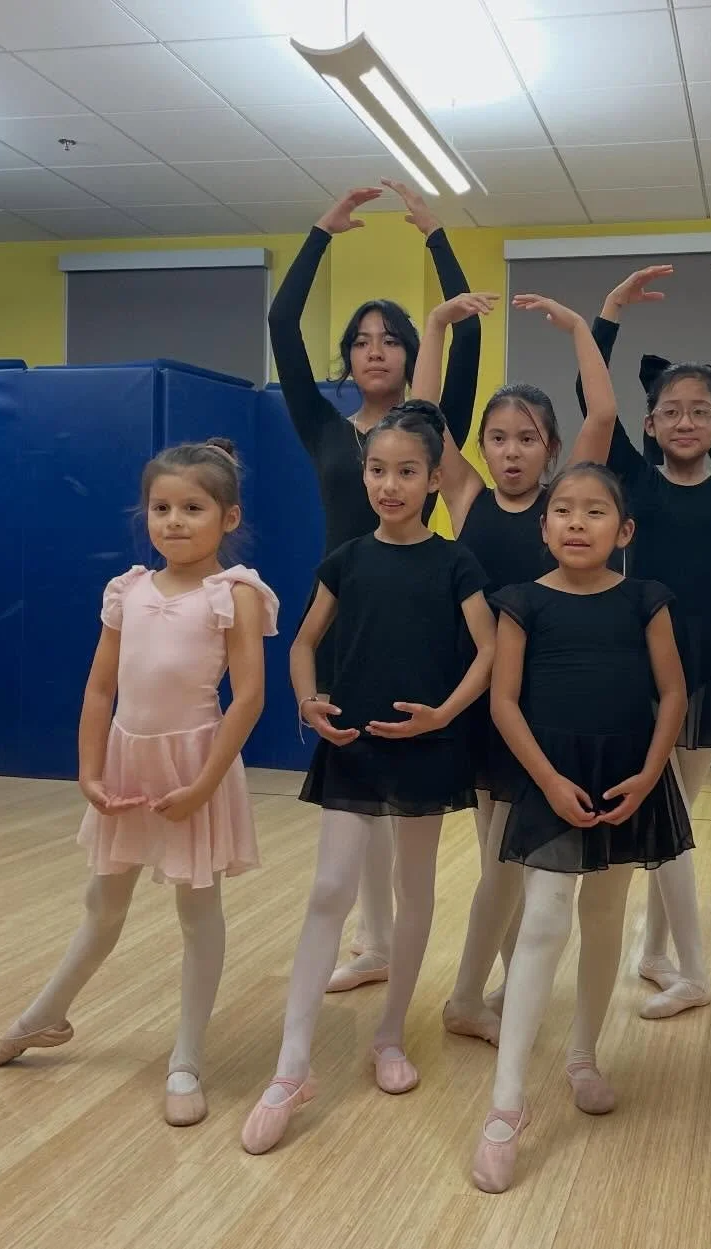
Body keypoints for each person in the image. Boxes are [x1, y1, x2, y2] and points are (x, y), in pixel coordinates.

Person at [0, 440, 278, 1128]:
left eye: (193, 508)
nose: (174, 520)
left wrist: (205, 783)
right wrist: (89, 769)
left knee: (197, 914)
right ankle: (45, 1014)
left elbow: (250, 698)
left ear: (228, 517)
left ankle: (186, 1058)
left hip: (195, 765)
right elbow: (100, 686)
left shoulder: (234, 594)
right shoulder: (128, 589)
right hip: (126, 762)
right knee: (102, 903)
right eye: (161, 506)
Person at [242, 402, 495, 1155]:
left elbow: (487, 653)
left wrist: (441, 714)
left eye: (407, 471)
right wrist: (305, 697)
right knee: (329, 888)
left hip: (421, 746)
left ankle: (389, 1036)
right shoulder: (346, 558)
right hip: (350, 743)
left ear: (431, 478)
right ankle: (292, 1065)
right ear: (365, 473)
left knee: (414, 890)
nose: (390, 484)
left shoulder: (457, 562)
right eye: (378, 470)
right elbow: (303, 640)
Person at [268, 179, 480, 997]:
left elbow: (461, 335)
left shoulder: (427, 428)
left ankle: (389, 942)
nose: (378, 349)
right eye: (363, 340)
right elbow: (283, 324)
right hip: (345, 620)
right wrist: (322, 231)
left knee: (408, 787)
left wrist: (436, 238)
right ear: (348, 358)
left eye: (392, 337)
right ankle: (372, 939)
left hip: (423, 619)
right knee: (357, 791)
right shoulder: (323, 427)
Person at [578, 266, 711, 1019]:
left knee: (676, 814)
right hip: (639, 658)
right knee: (665, 817)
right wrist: (609, 312)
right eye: (670, 410)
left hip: (706, 663)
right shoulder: (634, 482)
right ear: (649, 424)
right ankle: (688, 967)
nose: (684, 421)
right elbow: (592, 402)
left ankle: (653, 952)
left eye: (700, 411)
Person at [469, 463, 691, 1194]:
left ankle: (583, 1055)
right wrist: (547, 780)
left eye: (594, 511)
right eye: (562, 509)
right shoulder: (521, 602)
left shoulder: (646, 599)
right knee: (541, 919)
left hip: (625, 779)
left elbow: (672, 694)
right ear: (543, 527)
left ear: (623, 531)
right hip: (549, 779)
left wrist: (652, 772)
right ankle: (506, 1104)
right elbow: (504, 701)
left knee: (603, 917)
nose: (575, 522)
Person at [412, 291, 623, 1046]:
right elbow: (423, 419)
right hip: (482, 703)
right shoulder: (463, 495)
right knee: (502, 861)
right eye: (496, 437)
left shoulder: (563, 505)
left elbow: (601, 411)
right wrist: (436, 327)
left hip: (549, 706)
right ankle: (473, 996)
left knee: (510, 862)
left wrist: (577, 330)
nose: (508, 450)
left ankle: (488, 992)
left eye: (526, 438)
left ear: (550, 448)